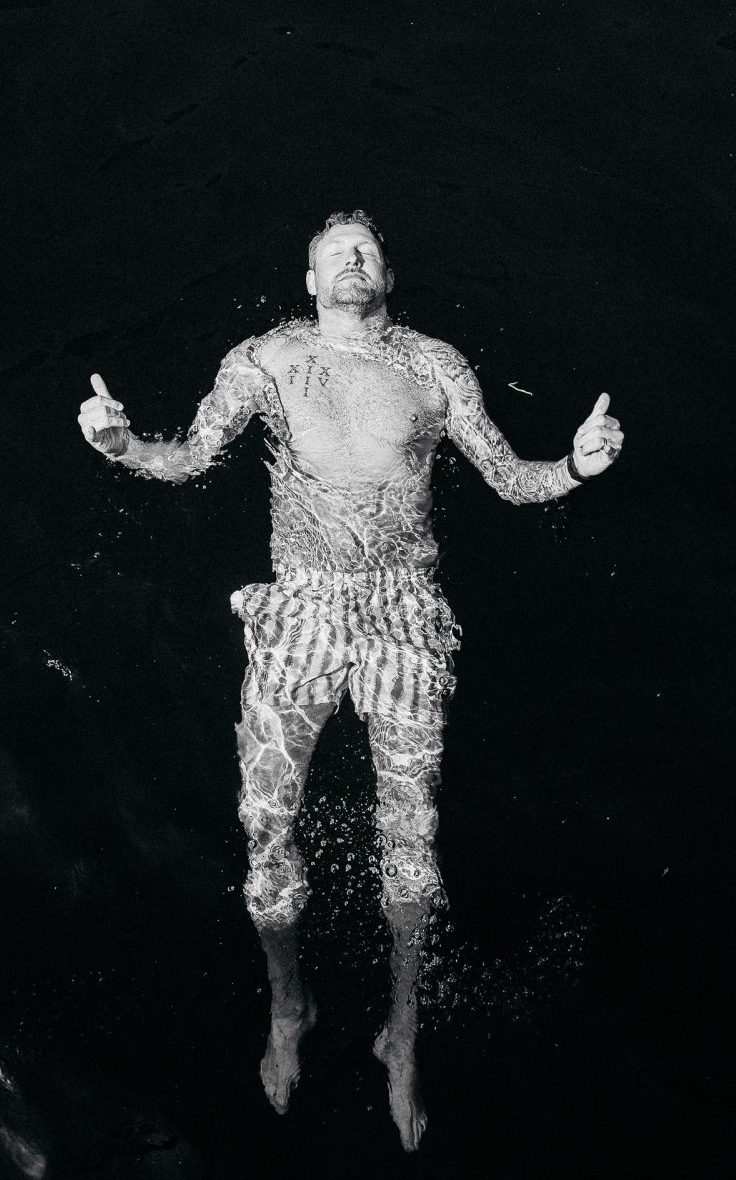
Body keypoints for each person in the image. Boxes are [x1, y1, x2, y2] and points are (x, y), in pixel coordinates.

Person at [77, 210, 623, 1151]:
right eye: (336, 253)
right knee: (266, 821)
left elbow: (507, 477)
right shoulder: (267, 360)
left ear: (389, 275)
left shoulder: (436, 367)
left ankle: (400, 1034)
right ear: (310, 280)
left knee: (412, 843)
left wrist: (576, 466)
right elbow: (192, 456)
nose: (353, 260)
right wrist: (123, 446)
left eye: (366, 250)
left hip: (405, 609)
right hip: (302, 604)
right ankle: (289, 1004)